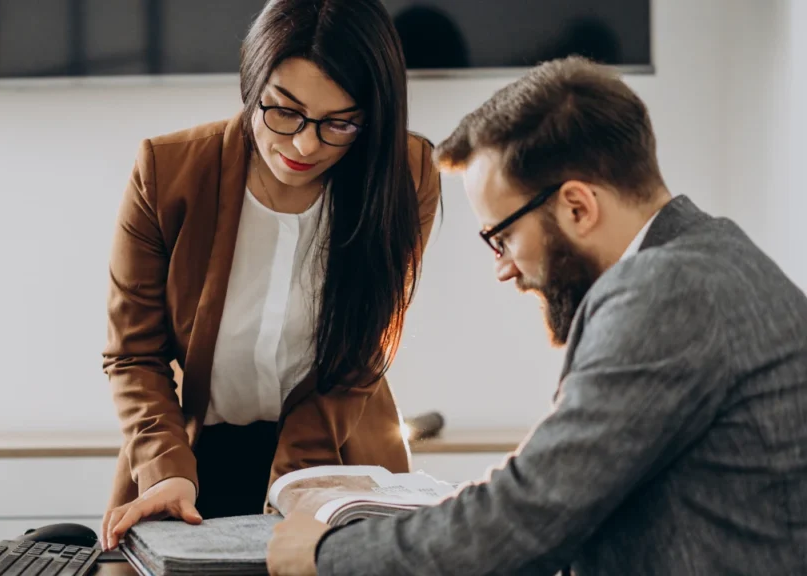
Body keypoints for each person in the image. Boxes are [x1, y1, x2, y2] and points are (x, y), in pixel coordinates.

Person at [267, 55, 807, 575]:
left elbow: (529, 516)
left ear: (577, 206)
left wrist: (329, 554)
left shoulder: (667, 290)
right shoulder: (713, 258)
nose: (504, 269)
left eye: (501, 237)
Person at [99, 0, 442, 552]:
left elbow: (364, 350)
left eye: (341, 122)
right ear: (250, 81)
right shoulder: (167, 172)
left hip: (336, 456)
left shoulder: (405, 173)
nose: (306, 145)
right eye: (285, 112)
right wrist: (164, 468)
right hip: (185, 461)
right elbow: (133, 354)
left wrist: (295, 480)